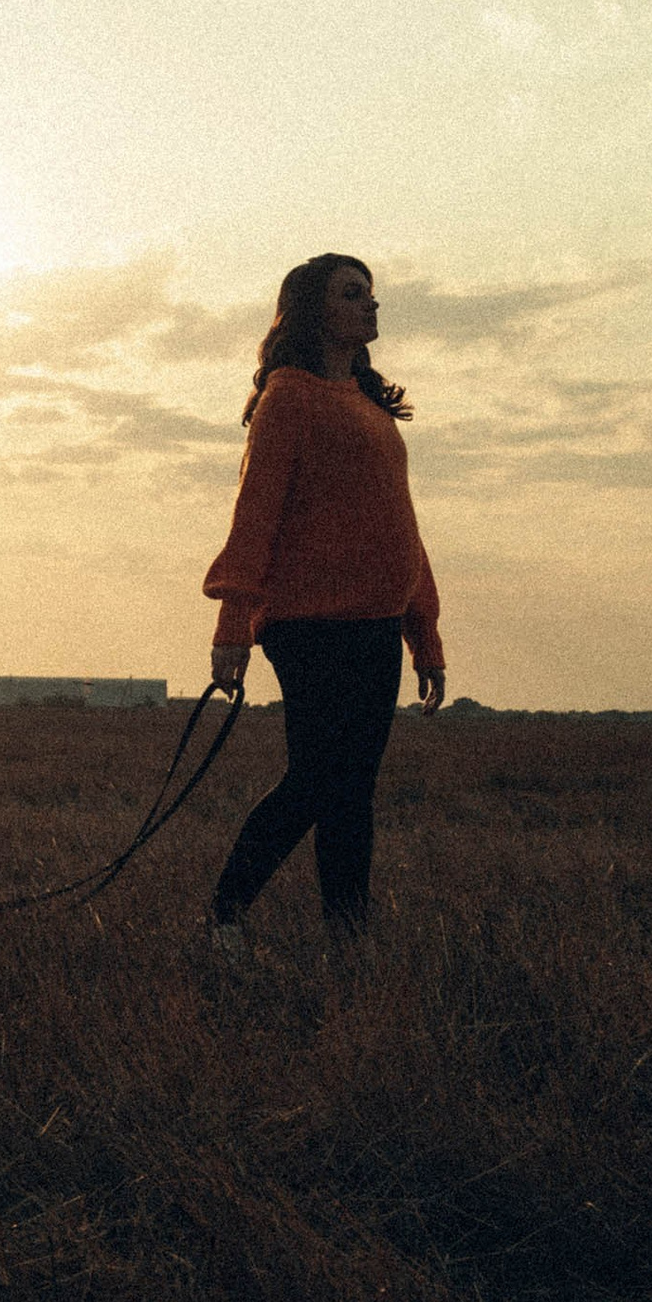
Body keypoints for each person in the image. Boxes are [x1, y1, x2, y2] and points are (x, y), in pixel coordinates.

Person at [202, 253, 444, 952]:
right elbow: (254, 519)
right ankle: (224, 914)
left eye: (371, 294)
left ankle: (347, 937)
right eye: (351, 294)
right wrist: (232, 627)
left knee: (351, 792)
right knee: (317, 780)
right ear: (313, 311)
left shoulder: (371, 407)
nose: (371, 306)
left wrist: (423, 637)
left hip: (375, 625)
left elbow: (404, 529)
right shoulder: (289, 399)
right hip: (307, 625)